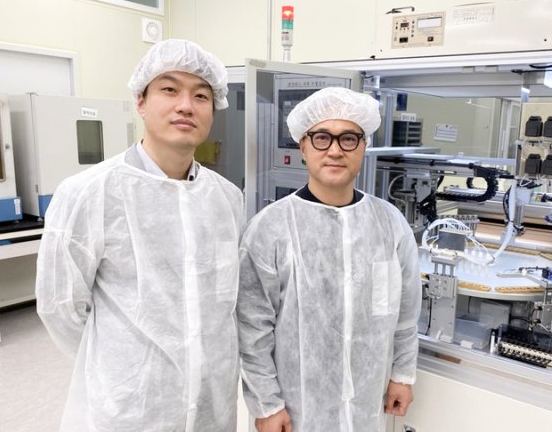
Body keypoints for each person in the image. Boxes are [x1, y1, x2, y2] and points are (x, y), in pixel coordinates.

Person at [36, 39, 244, 432]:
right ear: (141, 101)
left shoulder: (226, 198)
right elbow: (60, 306)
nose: (186, 105)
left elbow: (226, 302)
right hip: (130, 408)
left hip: (213, 401)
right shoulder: (89, 193)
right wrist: (121, 365)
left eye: (201, 95)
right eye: (170, 89)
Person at [237, 87, 422, 432]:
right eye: (322, 138)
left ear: (363, 146)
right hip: (295, 412)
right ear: (303, 146)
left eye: (348, 139)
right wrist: (267, 404)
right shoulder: (270, 227)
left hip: (368, 405)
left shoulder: (389, 223)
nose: (335, 150)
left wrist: (402, 374)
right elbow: (252, 328)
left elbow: (405, 311)